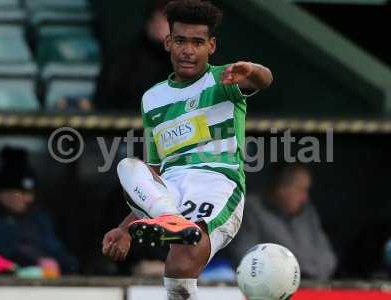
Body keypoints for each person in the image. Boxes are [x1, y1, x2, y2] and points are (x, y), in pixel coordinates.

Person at [102, 0, 273, 299]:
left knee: (182, 261)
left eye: (197, 42)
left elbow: (265, 79)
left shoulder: (225, 79)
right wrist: (125, 228)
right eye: (181, 40)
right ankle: (170, 219)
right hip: (171, 190)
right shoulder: (152, 99)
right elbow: (154, 173)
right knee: (128, 166)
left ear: (212, 45)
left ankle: (172, 222)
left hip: (217, 184)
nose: (188, 50)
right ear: (168, 42)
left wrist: (253, 69)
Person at [230, 163, 337, 280]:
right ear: (281, 188)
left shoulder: (307, 212)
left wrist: (307, 273)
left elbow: (328, 257)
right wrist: (289, 273)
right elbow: (245, 256)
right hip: (271, 288)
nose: (305, 198)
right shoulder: (251, 208)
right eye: (301, 190)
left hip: (313, 286)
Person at [0, 147, 78, 274]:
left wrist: (58, 264)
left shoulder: (38, 220)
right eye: (21, 192)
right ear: (1, 193)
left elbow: (62, 257)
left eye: (31, 193)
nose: (28, 199)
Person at [95, 0, 172, 112]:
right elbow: (105, 102)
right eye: (163, 19)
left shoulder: (189, 62)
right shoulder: (123, 60)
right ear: (150, 22)